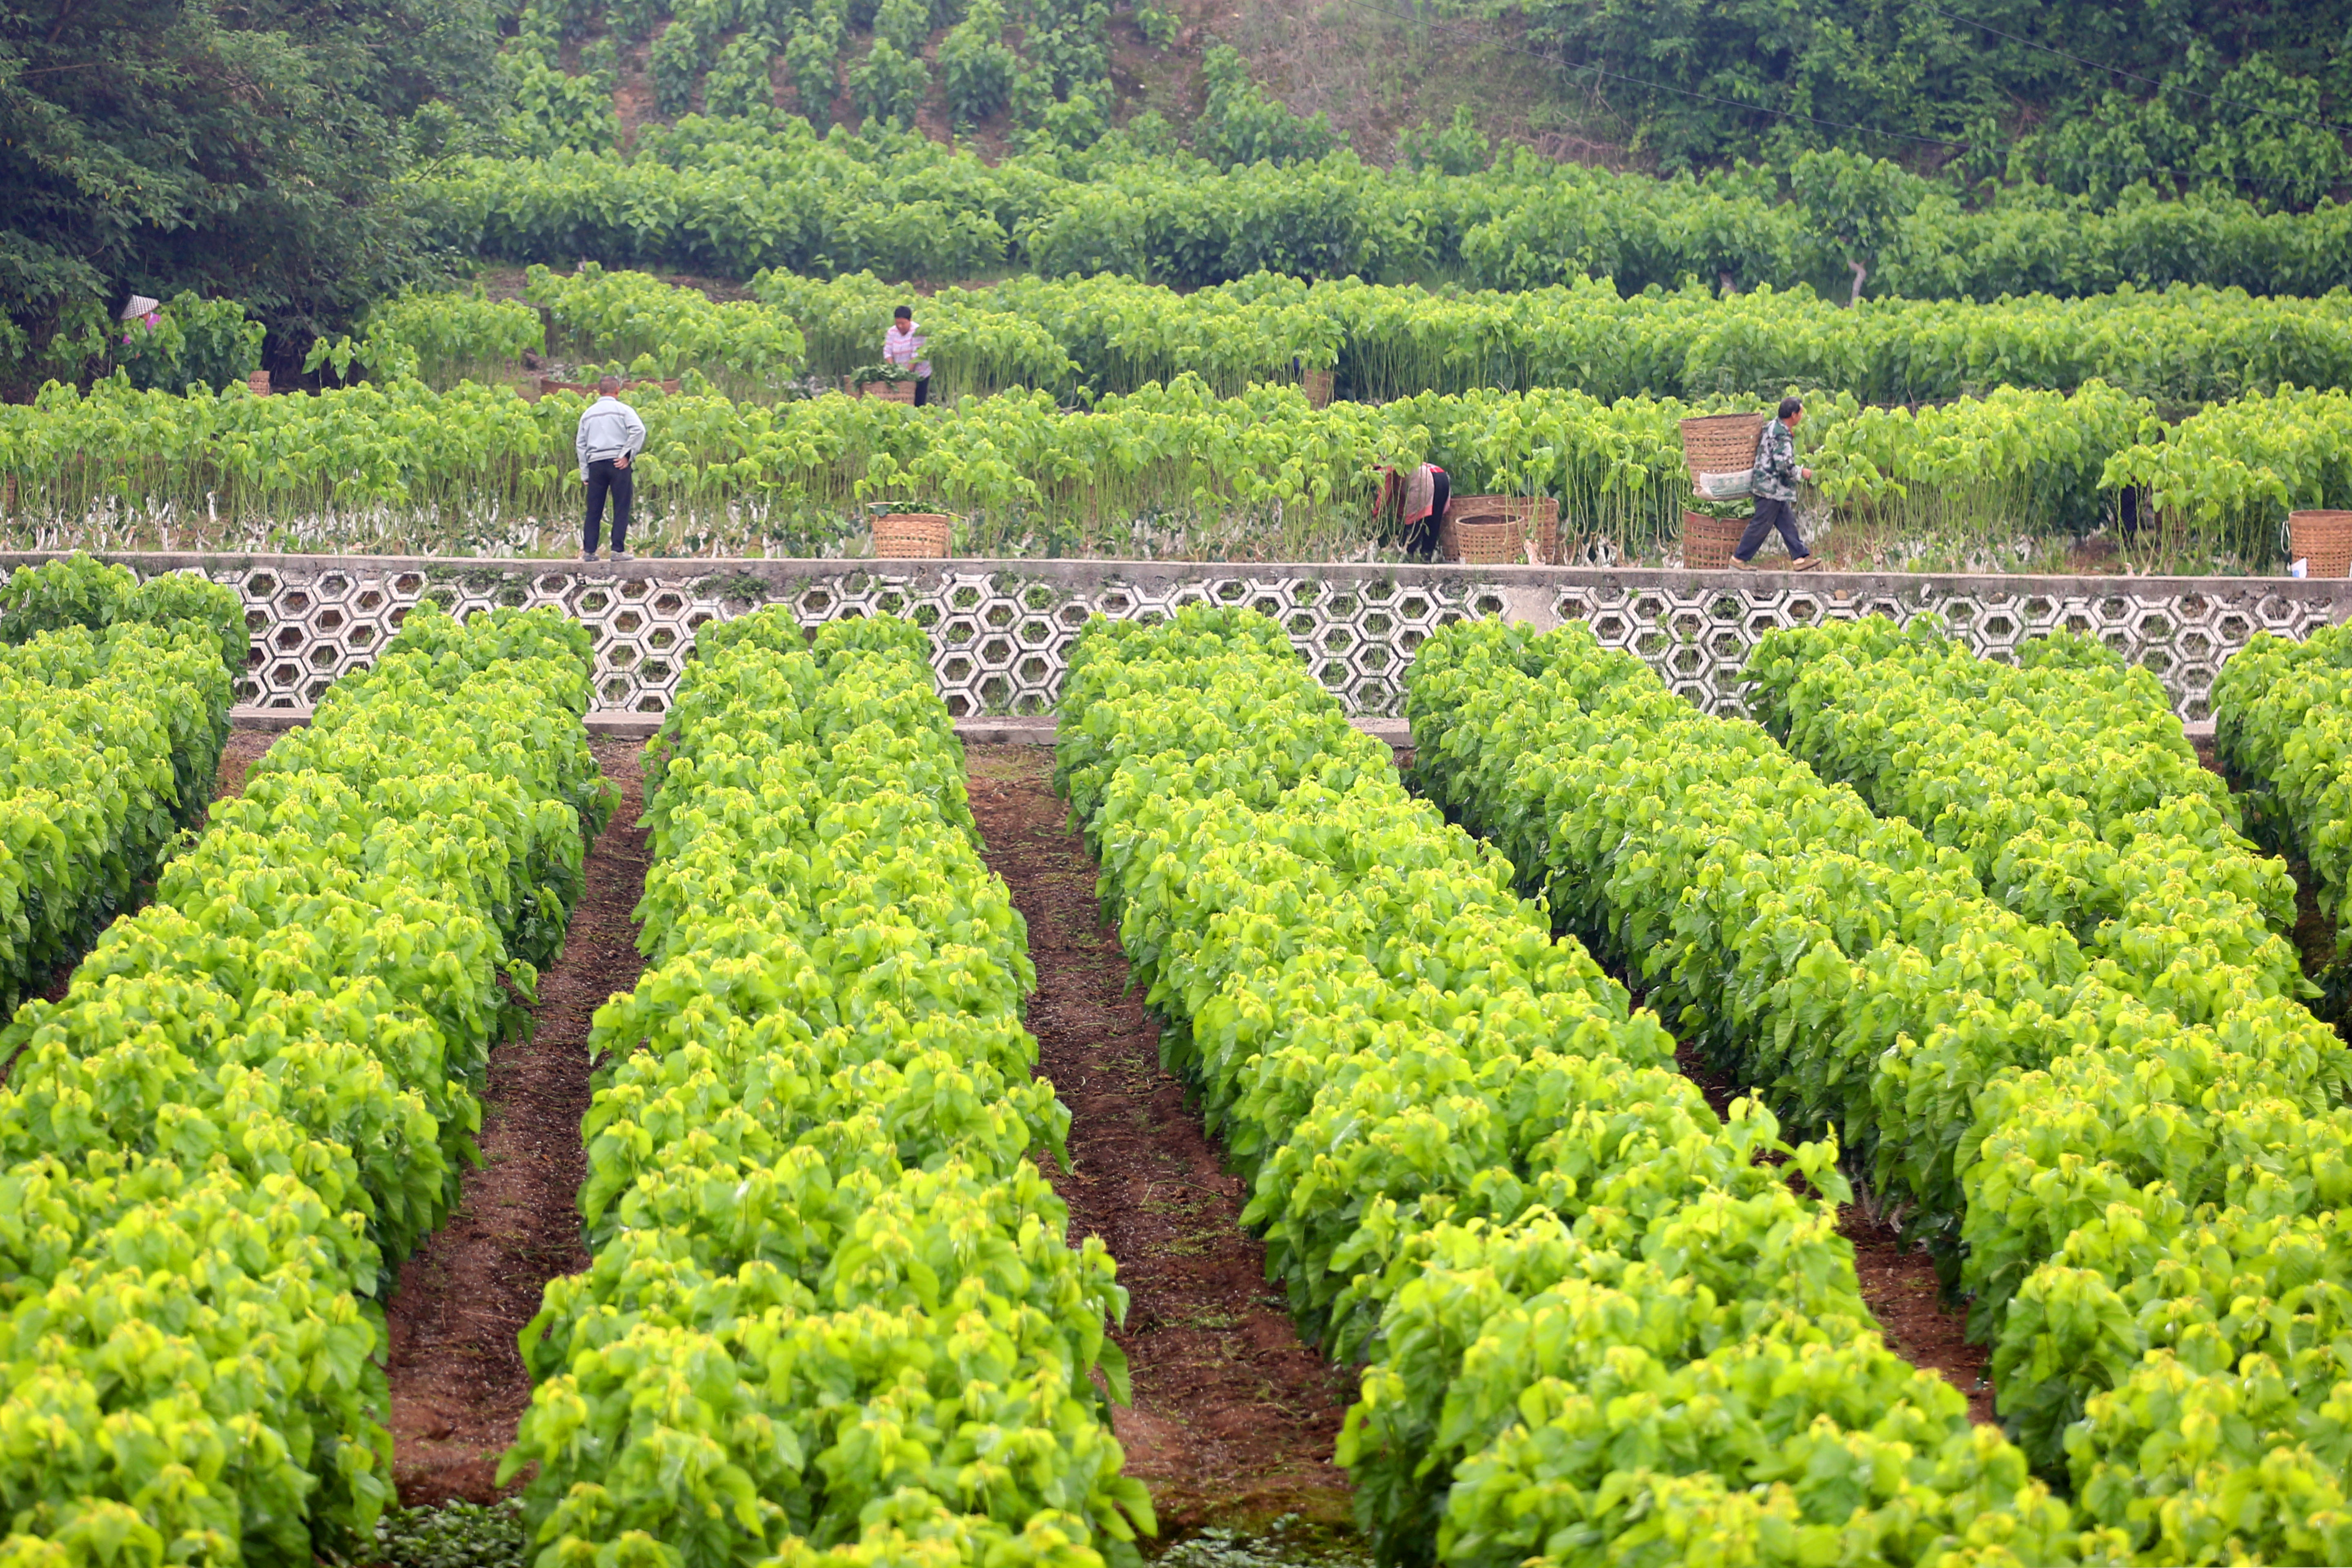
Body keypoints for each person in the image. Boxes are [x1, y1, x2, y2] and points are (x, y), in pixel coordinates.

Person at [1733, 395, 1820, 571]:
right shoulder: (1781, 435)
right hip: (1770, 488)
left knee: (1787, 523)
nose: (1802, 416)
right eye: (1801, 413)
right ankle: (1738, 558)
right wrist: (1802, 472)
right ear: (1794, 415)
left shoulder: (1773, 426)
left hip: (1774, 488)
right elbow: (1784, 466)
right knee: (1761, 525)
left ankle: (1799, 558)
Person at [576, 375, 646, 561]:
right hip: (618, 463)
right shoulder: (624, 410)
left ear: (599, 392)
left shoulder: (588, 414)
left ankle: (589, 551)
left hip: (596, 464)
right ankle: (617, 550)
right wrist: (627, 455)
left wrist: (585, 472)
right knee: (621, 506)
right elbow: (639, 430)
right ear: (618, 391)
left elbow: (581, 445)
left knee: (594, 509)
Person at [1378, 462, 1450, 562]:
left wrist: (1376, 514)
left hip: (1424, 478)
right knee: (1434, 521)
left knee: (1414, 522)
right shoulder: (1399, 462)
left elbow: (1385, 495)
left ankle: (1407, 555)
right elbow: (1401, 498)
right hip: (1442, 476)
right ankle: (1426, 557)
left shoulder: (1386, 470)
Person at [885, 305, 932, 407]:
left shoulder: (917, 331)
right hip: (901, 372)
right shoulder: (892, 332)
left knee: (918, 403)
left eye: (903, 323)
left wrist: (906, 374)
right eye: (898, 323)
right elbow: (888, 352)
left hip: (919, 374)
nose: (900, 326)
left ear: (910, 320)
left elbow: (916, 355)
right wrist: (893, 370)